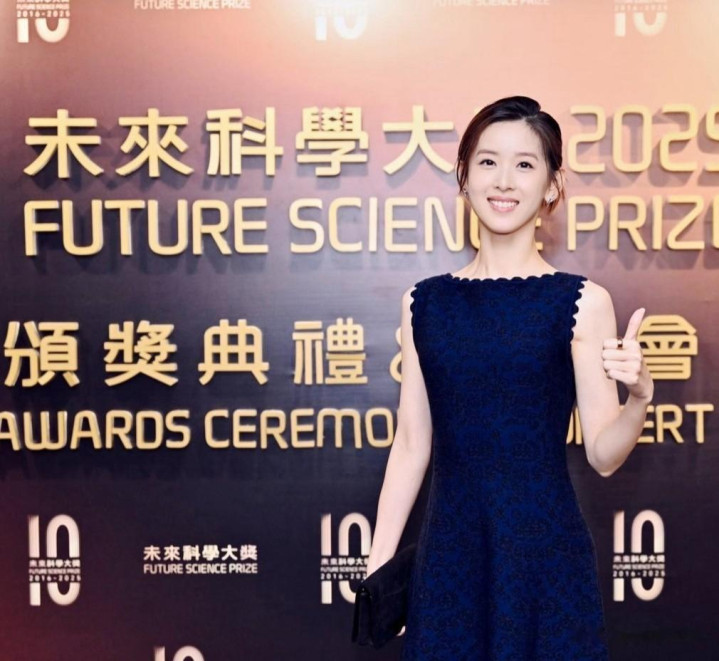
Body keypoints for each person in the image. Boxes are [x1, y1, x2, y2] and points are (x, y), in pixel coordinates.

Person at [364, 95, 654, 660]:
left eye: (524, 164)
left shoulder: (582, 302)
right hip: (450, 557)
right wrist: (380, 568)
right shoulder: (425, 303)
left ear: (552, 185)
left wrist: (640, 396)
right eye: (488, 161)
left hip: (546, 559)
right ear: (464, 176)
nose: (503, 180)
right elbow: (411, 445)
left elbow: (603, 455)